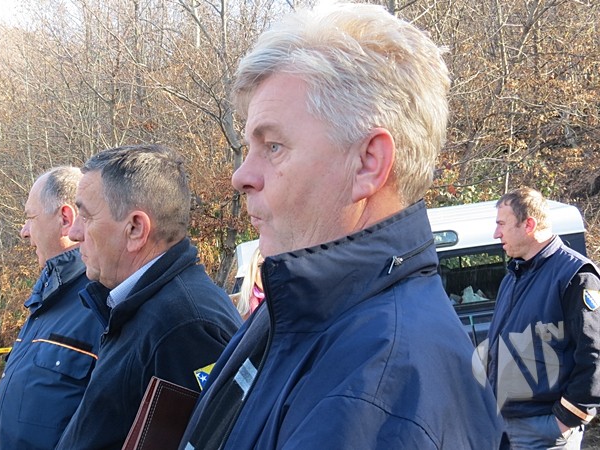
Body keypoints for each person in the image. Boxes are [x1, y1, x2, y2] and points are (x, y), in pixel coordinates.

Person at [179, 2, 506, 449]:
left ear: (368, 163)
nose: (242, 176)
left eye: (273, 146)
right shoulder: (294, 312)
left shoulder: (382, 390)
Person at [54, 144, 242, 450]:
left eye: (85, 217)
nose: (74, 233)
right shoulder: (145, 307)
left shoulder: (185, 326)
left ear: (135, 229)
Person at [0, 167, 104, 450]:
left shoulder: (100, 302)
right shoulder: (46, 297)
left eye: (30, 218)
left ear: (65, 219)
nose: (23, 232)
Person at [485, 187, 600, 449]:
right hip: (505, 425)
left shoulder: (575, 275)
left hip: (545, 428)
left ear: (529, 225)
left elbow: (594, 354)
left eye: (501, 224)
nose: (496, 234)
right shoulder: (513, 276)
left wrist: (566, 418)